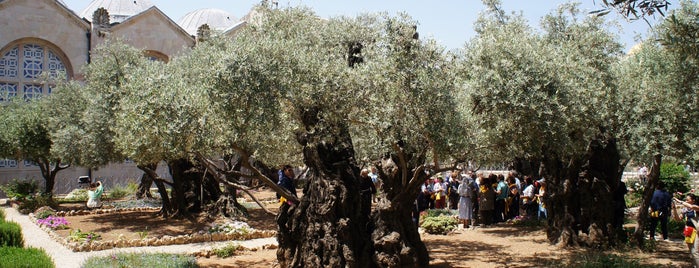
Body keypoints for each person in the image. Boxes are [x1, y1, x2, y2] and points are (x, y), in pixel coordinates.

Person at [674, 194, 699, 267]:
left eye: (688, 200)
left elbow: (691, 207)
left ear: (693, 200)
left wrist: (679, 201)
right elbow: (678, 219)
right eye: (686, 199)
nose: (686, 201)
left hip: (697, 231)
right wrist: (674, 209)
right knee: (691, 252)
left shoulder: (696, 207)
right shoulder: (685, 209)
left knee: (695, 252)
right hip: (689, 231)